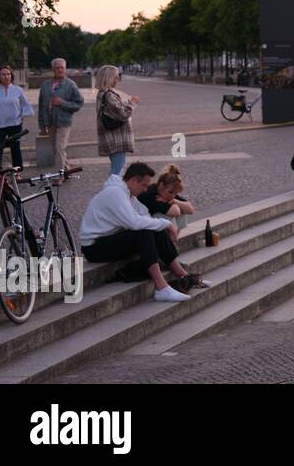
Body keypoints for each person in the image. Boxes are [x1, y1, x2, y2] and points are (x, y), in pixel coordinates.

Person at [79, 162, 202, 301]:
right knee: (144, 232)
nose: (145, 190)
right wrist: (167, 224)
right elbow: (134, 222)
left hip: (110, 239)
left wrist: (162, 226)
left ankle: (183, 275)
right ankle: (162, 288)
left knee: (154, 228)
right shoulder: (115, 193)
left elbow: (144, 214)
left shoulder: (127, 193)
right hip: (94, 248)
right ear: (133, 180)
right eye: (143, 185)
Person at [135, 165, 210, 289]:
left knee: (182, 212)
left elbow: (190, 209)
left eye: (176, 193)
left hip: (154, 232)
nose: (172, 195)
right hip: (144, 233)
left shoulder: (167, 194)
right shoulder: (151, 195)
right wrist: (174, 204)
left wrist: (174, 200)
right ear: (160, 186)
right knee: (166, 215)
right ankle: (166, 257)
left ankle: (170, 252)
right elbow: (174, 212)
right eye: (170, 192)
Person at [0, 65, 34, 177]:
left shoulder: (18, 90)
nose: (6, 76)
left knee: (15, 149)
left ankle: (17, 174)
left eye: (8, 74)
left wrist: (22, 115)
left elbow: (26, 106)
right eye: (3, 74)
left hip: (15, 125)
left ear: (11, 76)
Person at [37, 58, 84, 172]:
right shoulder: (46, 85)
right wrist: (42, 125)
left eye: (62, 67)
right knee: (55, 149)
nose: (59, 70)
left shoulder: (70, 85)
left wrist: (62, 103)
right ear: (53, 69)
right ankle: (65, 167)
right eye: (57, 68)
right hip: (50, 121)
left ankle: (59, 175)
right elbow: (41, 106)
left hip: (64, 121)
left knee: (59, 147)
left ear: (65, 68)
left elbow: (79, 103)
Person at [94, 65, 138, 176]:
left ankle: (113, 189)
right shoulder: (109, 96)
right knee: (117, 170)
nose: (118, 79)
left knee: (118, 167)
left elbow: (115, 111)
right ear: (109, 78)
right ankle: (111, 191)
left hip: (111, 136)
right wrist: (132, 103)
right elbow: (123, 114)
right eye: (116, 77)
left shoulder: (103, 93)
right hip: (115, 138)